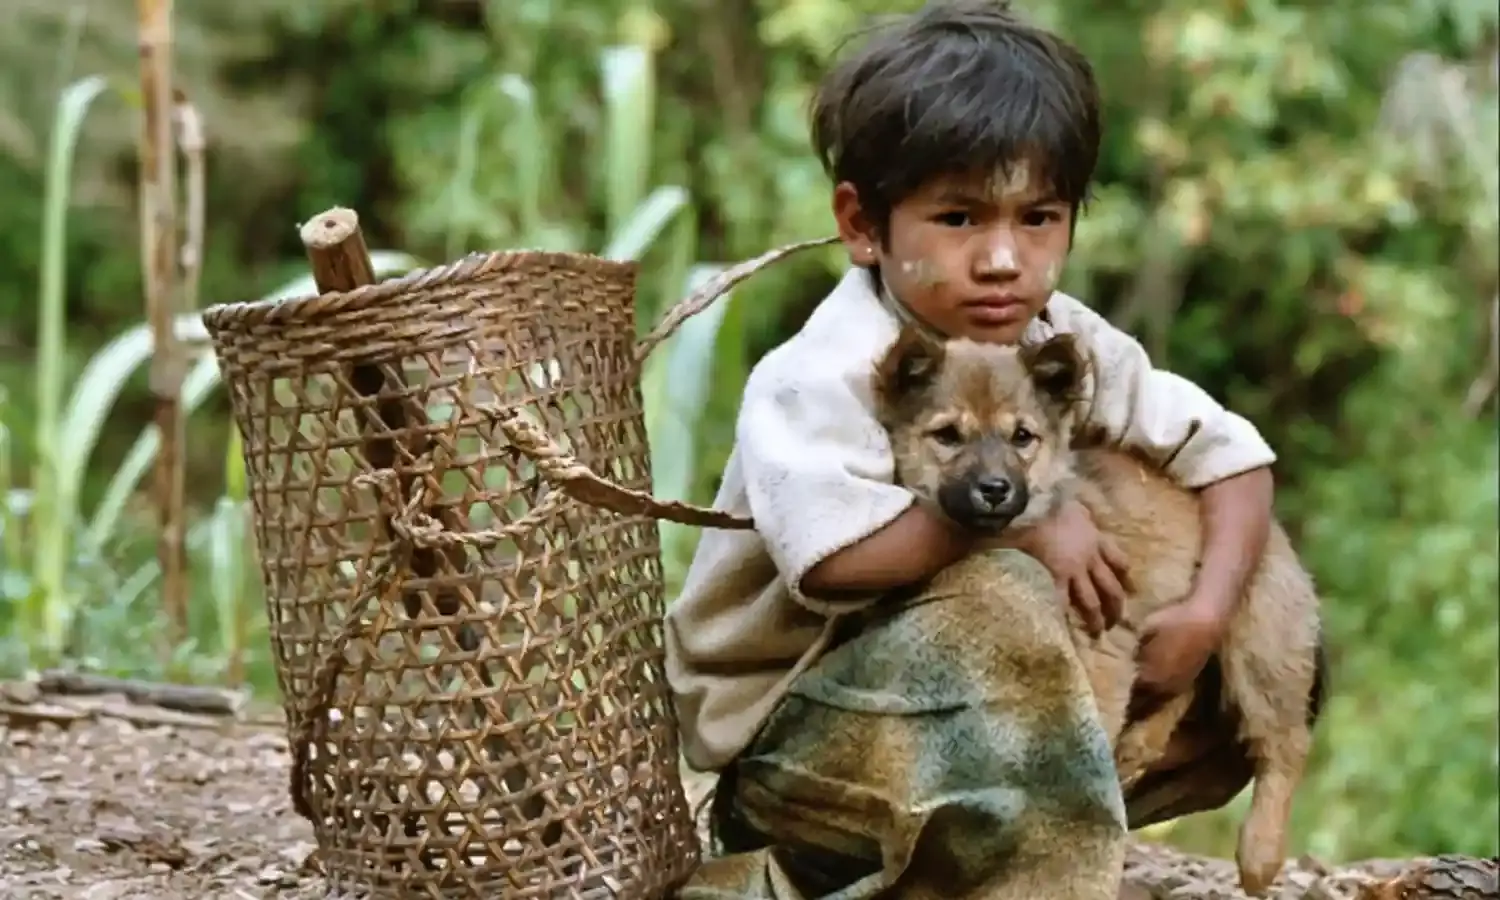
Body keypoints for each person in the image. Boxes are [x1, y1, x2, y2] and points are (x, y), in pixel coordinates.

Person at [665, 2, 1277, 897]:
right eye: (958, 218)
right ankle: (812, 867)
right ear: (863, 225)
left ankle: (965, 870)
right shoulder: (821, 371)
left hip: (949, 724)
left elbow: (1234, 460)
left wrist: (1207, 614)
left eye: (1038, 218)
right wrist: (1030, 524)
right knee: (1007, 589)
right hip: (787, 751)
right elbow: (830, 561)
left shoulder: (1059, 340)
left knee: (1252, 664)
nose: (1002, 259)